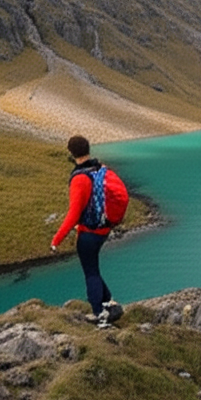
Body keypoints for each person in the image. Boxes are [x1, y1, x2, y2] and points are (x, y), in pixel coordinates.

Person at [51, 135, 119, 325]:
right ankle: (110, 305)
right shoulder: (99, 169)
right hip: (103, 229)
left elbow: (74, 213)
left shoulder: (80, 178)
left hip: (88, 233)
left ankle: (100, 315)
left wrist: (56, 240)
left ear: (72, 153)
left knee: (90, 273)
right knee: (94, 269)